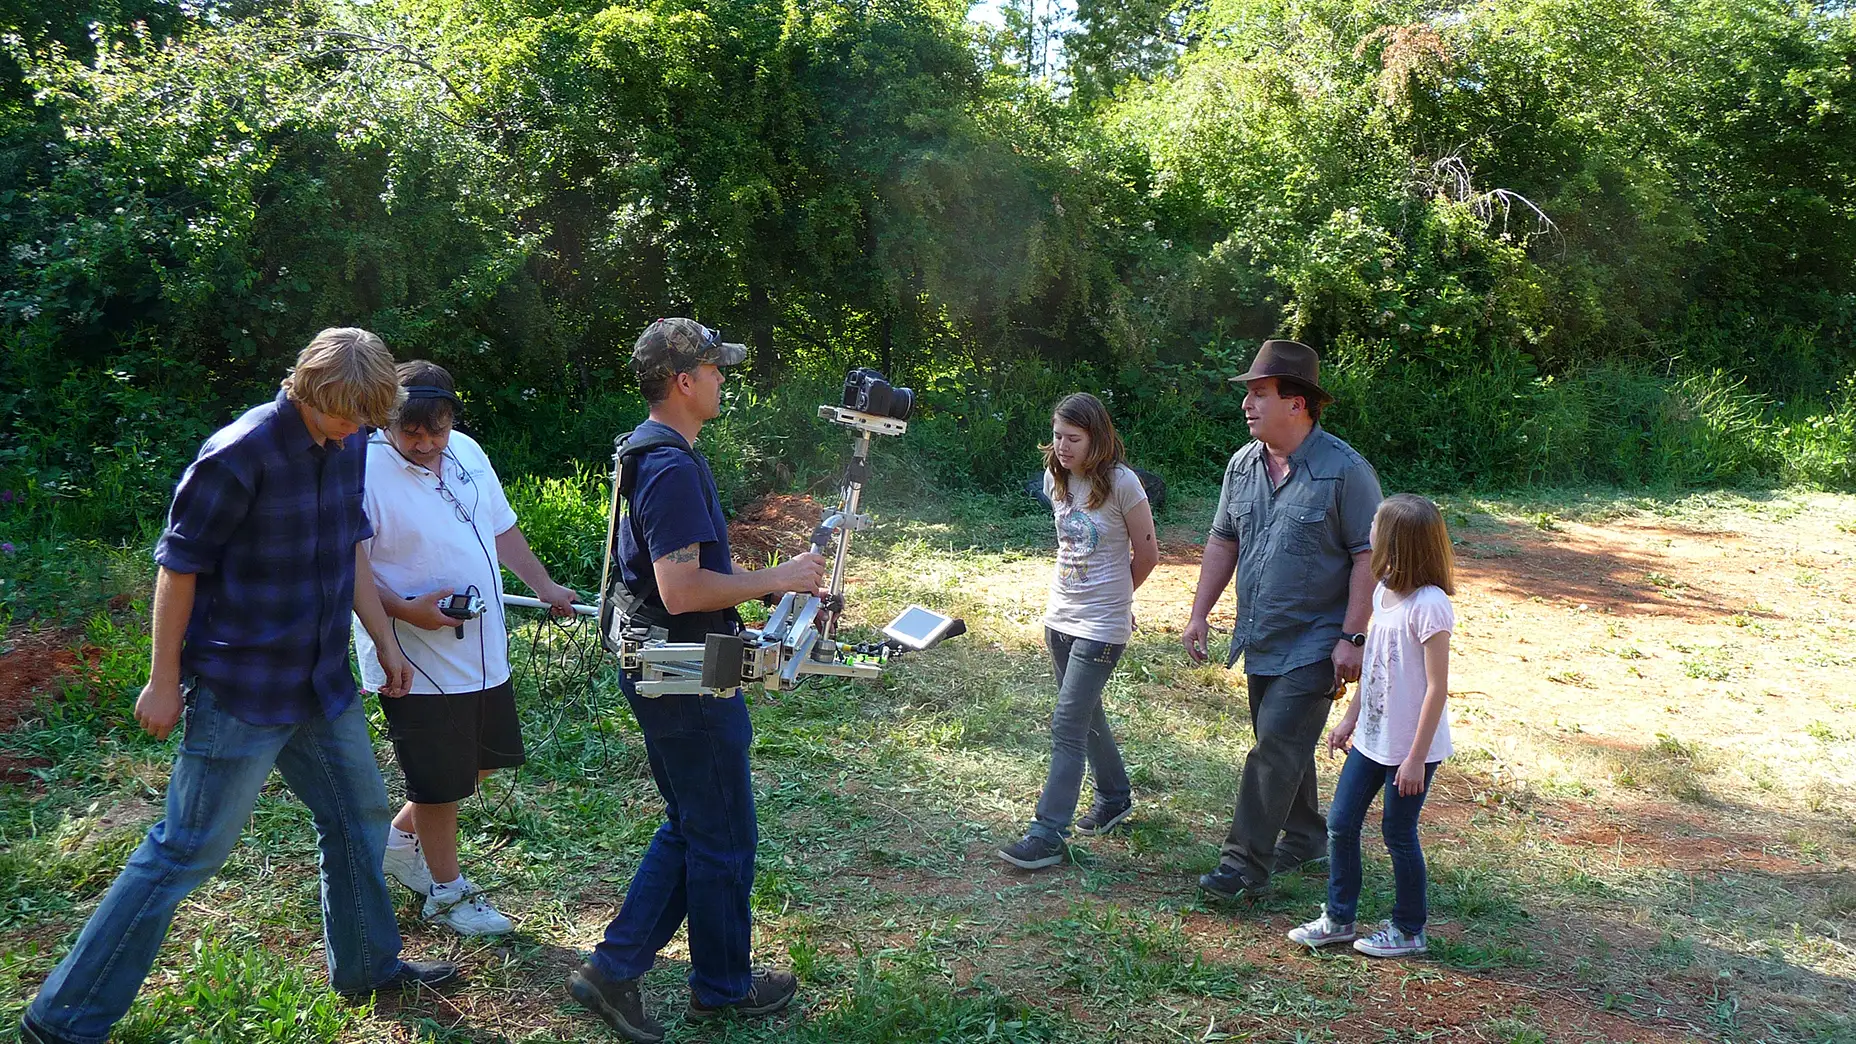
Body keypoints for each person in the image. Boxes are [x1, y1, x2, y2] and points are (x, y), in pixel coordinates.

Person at [19, 329, 458, 1044]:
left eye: (363, 422)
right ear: (308, 391)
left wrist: (383, 638)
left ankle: (369, 965)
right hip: (242, 687)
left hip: (321, 680)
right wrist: (163, 680)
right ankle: (62, 1020)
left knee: (358, 817)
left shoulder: (348, 445)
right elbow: (178, 567)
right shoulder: (238, 453)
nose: (353, 433)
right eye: (344, 418)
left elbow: (350, 549)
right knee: (186, 849)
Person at [567, 318, 828, 1044]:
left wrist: (757, 587)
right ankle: (698, 984)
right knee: (722, 834)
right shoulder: (672, 466)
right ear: (684, 380)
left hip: (669, 665)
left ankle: (644, 971)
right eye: (715, 370)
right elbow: (680, 590)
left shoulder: (649, 450)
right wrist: (779, 577)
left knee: (700, 826)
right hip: (685, 675)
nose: (722, 380)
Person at [354, 360, 580, 937]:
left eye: (437, 429)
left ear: (453, 417)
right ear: (387, 419)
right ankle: (447, 894)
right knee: (438, 778)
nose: (425, 442)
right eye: (412, 431)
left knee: (479, 764)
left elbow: (501, 528)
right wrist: (405, 611)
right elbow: (344, 564)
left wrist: (545, 585)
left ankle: (400, 842)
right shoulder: (361, 468)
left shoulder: (469, 453)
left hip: (481, 644)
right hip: (412, 655)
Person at [1181, 339, 1382, 900]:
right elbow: (1224, 539)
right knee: (1282, 743)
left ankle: (1242, 865)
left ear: (1298, 404)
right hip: (1261, 635)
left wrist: (1353, 637)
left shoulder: (1346, 472)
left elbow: (1370, 555)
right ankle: (1305, 835)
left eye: (1260, 393)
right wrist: (1200, 613)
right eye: (1248, 394)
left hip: (1318, 640)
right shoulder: (1242, 466)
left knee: (1273, 747)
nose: (1248, 404)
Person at [1288, 494, 1455, 958]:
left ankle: (1409, 929)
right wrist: (1350, 717)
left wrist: (1417, 758)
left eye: (1376, 524)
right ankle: (1339, 918)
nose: (1369, 530)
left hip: (1411, 749)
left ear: (1399, 540)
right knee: (1340, 825)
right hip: (1372, 738)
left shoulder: (1430, 605)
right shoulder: (1383, 592)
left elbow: (1437, 688)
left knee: (1398, 834)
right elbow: (1378, 669)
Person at [998, 393, 1159, 870]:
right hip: (1059, 618)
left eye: (1073, 439)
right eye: (1057, 436)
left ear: (1097, 438)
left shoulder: (1123, 484)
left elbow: (1148, 555)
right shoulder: (1057, 478)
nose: (1063, 447)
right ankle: (1115, 798)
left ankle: (1048, 833)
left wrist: (1118, 602)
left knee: (1067, 723)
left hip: (1101, 627)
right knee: (1087, 716)